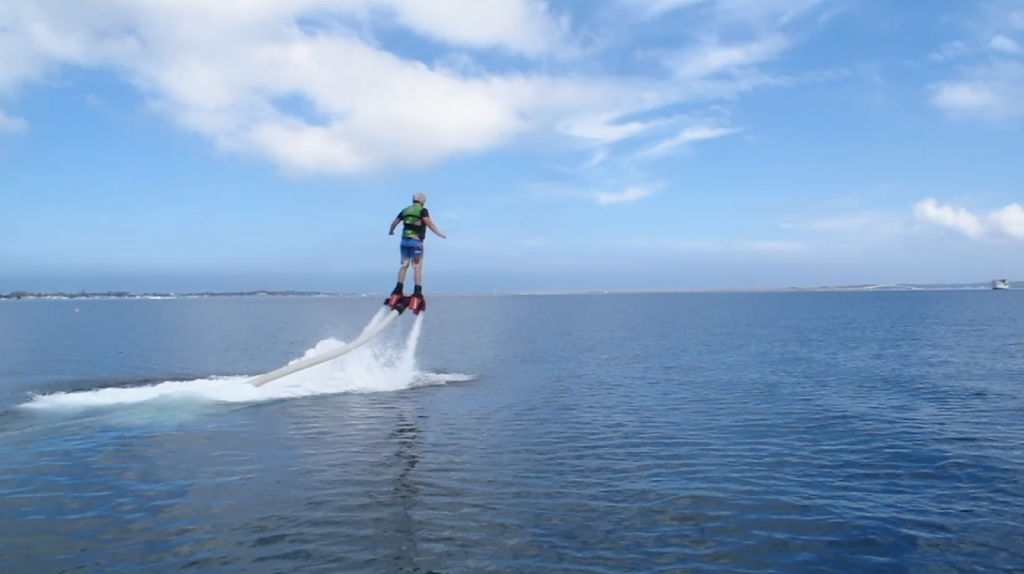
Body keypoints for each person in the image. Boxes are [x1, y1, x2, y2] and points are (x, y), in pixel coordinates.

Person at [388, 193, 446, 308]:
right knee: (417, 266)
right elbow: (428, 222)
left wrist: (391, 231)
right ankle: (417, 291)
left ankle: (398, 289)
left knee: (404, 265)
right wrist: (439, 233)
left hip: (404, 242)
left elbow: (394, 223)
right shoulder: (422, 211)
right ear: (422, 201)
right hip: (416, 243)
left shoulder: (405, 210)